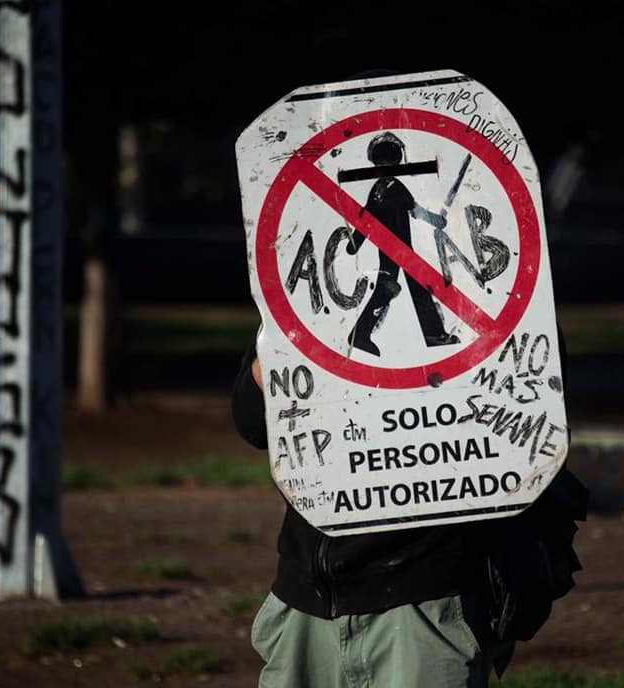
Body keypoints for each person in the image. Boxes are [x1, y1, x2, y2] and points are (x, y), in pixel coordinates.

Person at [231, 326, 588, 688]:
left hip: (428, 598)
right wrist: (285, 342)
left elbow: (531, 403)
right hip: (308, 601)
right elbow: (253, 422)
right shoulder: (303, 286)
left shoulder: (488, 283)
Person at [346, 132, 460, 356]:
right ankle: (432, 334)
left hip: (395, 251)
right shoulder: (391, 188)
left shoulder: (379, 190)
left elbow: (366, 220)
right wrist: (436, 220)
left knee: (392, 289)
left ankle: (362, 334)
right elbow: (414, 211)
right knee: (402, 289)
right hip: (399, 251)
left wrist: (355, 245)